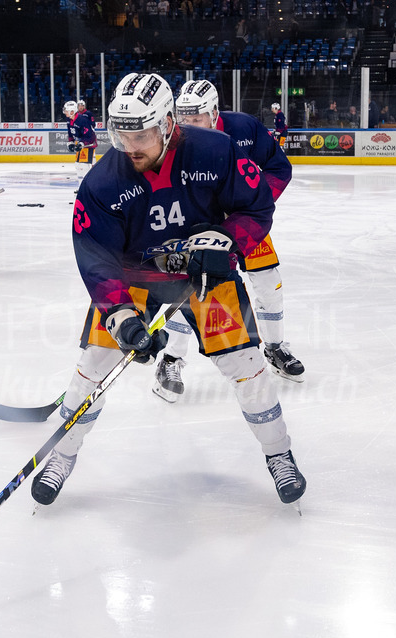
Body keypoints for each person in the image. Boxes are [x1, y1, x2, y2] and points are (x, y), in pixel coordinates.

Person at [31, 72, 305, 510]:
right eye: (121, 134)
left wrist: (229, 242)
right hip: (136, 280)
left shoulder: (216, 151)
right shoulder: (101, 183)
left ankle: (279, 453)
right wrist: (119, 316)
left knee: (247, 367)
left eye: (139, 134)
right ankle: (62, 456)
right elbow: (96, 255)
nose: (129, 146)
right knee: (92, 367)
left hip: (204, 278)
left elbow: (256, 205)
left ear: (166, 124)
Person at [153, 79, 304, 403]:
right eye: (183, 117)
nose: (187, 125)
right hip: (198, 228)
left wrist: (251, 204)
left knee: (267, 281)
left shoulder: (244, 127)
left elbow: (279, 167)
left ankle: (275, 347)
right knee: (188, 287)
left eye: (195, 118)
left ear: (214, 113)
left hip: (245, 225)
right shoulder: (174, 141)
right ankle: (170, 360)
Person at [64, 99, 98, 191]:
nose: (65, 112)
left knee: (84, 166)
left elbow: (89, 136)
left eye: (66, 111)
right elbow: (70, 132)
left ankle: (89, 188)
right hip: (81, 143)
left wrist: (82, 143)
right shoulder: (69, 120)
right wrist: (70, 142)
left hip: (89, 144)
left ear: (72, 111)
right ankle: (81, 188)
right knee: (78, 165)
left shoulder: (82, 120)